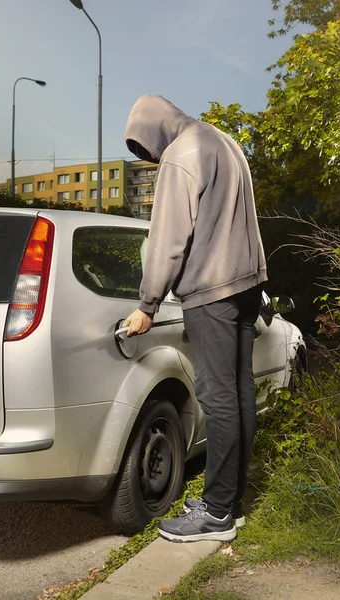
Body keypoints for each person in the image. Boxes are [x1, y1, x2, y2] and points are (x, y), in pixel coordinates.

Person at [123, 94, 267, 543]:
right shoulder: (222, 141)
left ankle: (217, 513)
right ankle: (232, 501)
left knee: (218, 398)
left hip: (212, 290)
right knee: (239, 393)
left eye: (147, 149)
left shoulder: (180, 155)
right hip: (246, 282)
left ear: (154, 131)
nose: (151, 158)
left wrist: (148, 304)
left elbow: (168, 237)